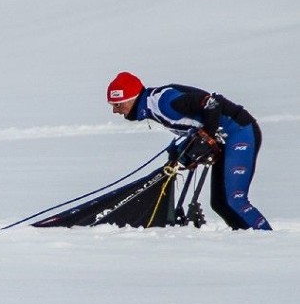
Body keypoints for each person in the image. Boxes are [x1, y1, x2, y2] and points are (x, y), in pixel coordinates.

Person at [107, 71, 271, 230]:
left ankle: (268, 240)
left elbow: (211, 102)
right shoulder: (154, 105)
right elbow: (194, 126)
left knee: (235, 201)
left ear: (132, 98)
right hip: (226, 139)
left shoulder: (163, 102)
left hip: (240, 132)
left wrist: (208, 135)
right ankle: (249, 244)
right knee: (220, 203)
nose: (115, 110)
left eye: (117, 104)